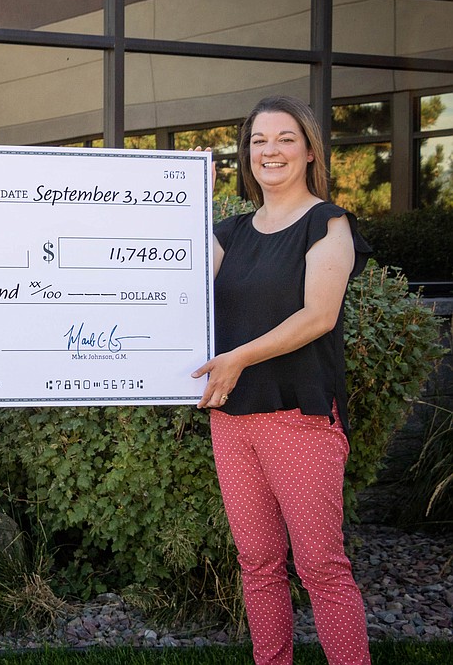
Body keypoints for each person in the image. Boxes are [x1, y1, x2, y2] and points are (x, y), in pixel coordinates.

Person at [191, 95, 373, 665]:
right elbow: (169, 281)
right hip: (232, 420)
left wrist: (238, 357)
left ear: (310, 149)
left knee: (321, 566)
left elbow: (318, 315)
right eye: (258, 141)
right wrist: (183, 184)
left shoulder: (328, 223)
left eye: (285, 139)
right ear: (245, 156)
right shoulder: (228, 233)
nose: (270, 151)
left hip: (300, 420)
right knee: (259, 564)